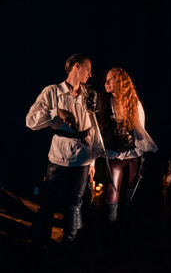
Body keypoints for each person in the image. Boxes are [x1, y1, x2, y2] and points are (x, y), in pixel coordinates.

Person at [26, 54, 99, 247]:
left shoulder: (88, 95)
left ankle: (70, 244)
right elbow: (30, 121)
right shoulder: (52, 92)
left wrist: (93, 162)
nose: (90, 75)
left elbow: (94, 129)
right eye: (88, 69)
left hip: (83, 158)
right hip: (58, 157)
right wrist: (55, 112)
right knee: (48, 202)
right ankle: (40, 244)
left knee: (75, 204)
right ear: (77, 66)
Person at [98, 67, 158, 241]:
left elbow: (141, 131)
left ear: (120, 82)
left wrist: (144, 152)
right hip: (114, 154)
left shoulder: (135, 103)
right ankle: (111, 227)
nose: (106, 83)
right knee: (112, 189)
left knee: (131, 191)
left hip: (132, 153)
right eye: (106, 79)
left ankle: (125, 225)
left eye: (110, 80)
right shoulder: (104, 102)